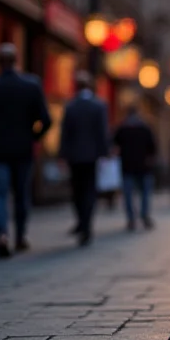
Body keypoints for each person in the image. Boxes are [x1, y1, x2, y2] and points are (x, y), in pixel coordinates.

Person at [0, 43, 52, 258]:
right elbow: (46, 120)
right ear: (16, 60)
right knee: (21, 194)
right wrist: (33, 137)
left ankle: (2, 234)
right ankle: (20, 236)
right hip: (23, 150)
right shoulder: (31, 86)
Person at [59, 71, 109, 246]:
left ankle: (81, 222)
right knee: (89, 190)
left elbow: (65, 133)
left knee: (77, 191)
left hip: (74, 157)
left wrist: (62, 155)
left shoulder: (71, 106)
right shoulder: (99, 106)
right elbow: (102, 132)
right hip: (92, 156)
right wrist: (104, 153)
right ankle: (86, 224)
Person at [113, 104, 158, 231]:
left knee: (128, 194)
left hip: (127, 165)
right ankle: (144, 215)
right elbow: (153, 147)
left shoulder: (122, 128)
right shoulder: (145, 127)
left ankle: (131, 218)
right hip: (144, 166)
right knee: (145, 193)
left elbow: (114, 145)